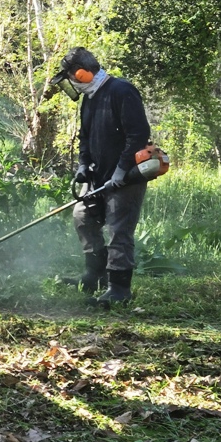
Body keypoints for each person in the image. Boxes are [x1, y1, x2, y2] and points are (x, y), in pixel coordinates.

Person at [49, 47, 151, 306]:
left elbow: (137, 135)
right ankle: (94, 276)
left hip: (126, 177)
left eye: (71, 77)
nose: (71, 83)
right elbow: (85, 137)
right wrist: (83, 165)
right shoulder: (90, 98)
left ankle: (119, 289)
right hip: (98, 176)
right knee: (82, 217)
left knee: (118, 229)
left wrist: (121, 169)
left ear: (82, 74)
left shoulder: (121, 91)